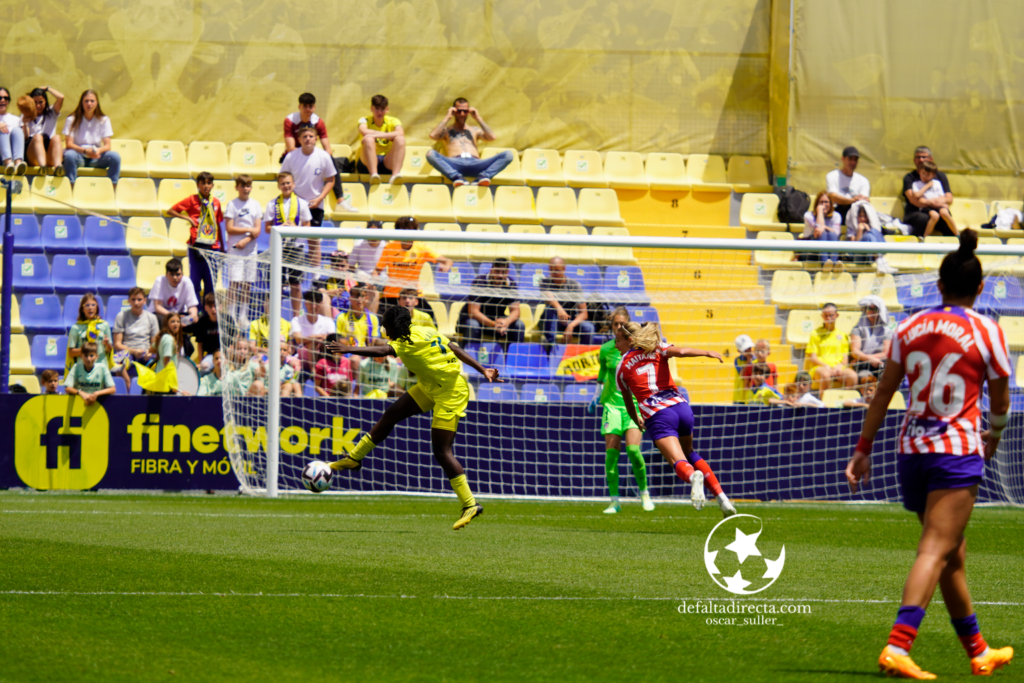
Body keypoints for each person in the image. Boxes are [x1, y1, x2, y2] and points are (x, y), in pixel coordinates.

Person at [845, 230, 1014, 679]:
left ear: (938, 286)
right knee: (936, 547)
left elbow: (882, 392)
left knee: (950, 553)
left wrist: (863, 450)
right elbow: (999, 403)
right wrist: (992, 440)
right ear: (980, 289)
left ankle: (978, 651)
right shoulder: (987, 330)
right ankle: (898, 646)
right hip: (955, 449)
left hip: (911, 449)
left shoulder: (909, 327)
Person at [326, 306, 501, 530]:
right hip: (430, 386)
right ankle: (354, 458)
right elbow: (452, 346)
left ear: (395, 327)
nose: (383, 327)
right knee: (391, 415)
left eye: (385, 324)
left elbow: (382, 351)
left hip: (451, 393)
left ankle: (470, 504)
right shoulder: (423, 329)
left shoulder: (404, 343)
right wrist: (482, 369)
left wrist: (347, 349)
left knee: (442, 451)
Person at [615, 321, 736, 517]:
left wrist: (636, 418)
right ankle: (723, 499)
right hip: (681, 407)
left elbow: (628, 401)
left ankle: (692, 477)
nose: (615, 345)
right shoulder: (658, 347)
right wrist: (706, 352)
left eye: (617, 340)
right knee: (690, 453)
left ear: (630, 340)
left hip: (659, 414)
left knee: (677, 461)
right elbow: (681, 351)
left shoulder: (621, 367)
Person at [588, 307, 652, 514]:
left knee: (633, 451)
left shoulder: (638, 349)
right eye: (615, 325)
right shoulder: (606, 349)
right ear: (611, 326)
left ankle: (644, 493)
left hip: (632, 406)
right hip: (611, 406)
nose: (618, 328)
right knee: (611, 455)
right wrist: (596, 396)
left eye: (622, 325)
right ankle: (614, 501)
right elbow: (602, 373)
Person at [280, 124, 341, 268]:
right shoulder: (291, 157)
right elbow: (283, 178)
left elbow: (331, 180)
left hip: (315, 205)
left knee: (313, 240)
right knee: (291, 240)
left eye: (311, 136)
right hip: (295, 205)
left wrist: (319, 199)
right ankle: (288, 275)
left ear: (316, 139)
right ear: (299, 139)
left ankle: (315, 277)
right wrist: (292, 200)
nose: (308, 139)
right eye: (304, 137)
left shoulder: (324, 156)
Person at [426, 98, 513, 187]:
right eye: (459, 111)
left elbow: (492, 137)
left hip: (475, 163)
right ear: (454, 111)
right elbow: (433, 136)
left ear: (468, 112)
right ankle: (456, 177)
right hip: (455, 163)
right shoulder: (446, 131)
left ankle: (483, 177)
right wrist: (447, 117)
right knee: (431, 154)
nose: (462, 114)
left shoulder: (474, 130)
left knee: (508, 154)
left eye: (465, 111)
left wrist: (478, 118)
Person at [168, 172, 225, 302]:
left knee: (211, 283)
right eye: (203, 183)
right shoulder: (192, 200)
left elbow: (218, 224)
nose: (206, 186)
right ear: (198, 185)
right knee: (195, 282)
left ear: (212, 185)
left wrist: (222, 246)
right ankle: (196, 311)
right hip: (196, 246)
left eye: (209, 183)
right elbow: (171, 210)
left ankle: (208, 314)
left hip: (212, 246)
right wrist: (187, 217)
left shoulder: (216, 202)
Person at [376, 217, 452, 311]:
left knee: (429, 316)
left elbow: (447, 261)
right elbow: (377, 270)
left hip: (414, 295)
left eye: (411, 229)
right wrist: (372, 281)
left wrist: (446, 265)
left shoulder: (421, 248)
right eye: (404, 229)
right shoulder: (389, 247)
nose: (408, 232)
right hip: (392, 295)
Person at [264, 171, 311, 316]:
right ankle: (274, 316)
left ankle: (296, 316)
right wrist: (280, 228)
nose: (286, 186)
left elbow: (307, 226)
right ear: (278, 186)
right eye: (283, 183)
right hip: (278, 248)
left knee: (295, 284)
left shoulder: (302, 203)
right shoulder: (272, 204)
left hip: (296, 248)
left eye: (288, 183)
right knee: (276, 284)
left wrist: (294, 229)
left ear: (293, 184)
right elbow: (266, 228)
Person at [224, 174, 263, 322]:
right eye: (243, 186)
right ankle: (231, 315)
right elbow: (230, 228)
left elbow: (257, 229)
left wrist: (246, 240)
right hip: (235, 247)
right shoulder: (232, 204)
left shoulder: (256, 205)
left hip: (250, 247)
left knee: (247, 282)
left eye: (248, 186)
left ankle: (243, 315)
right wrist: (247, 231)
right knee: (235, 281)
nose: (246, 189)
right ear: (237, 187)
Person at [460, 257, 525, 346]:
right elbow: (473, 312)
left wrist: (506, 322)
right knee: (473, 325)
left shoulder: (511, 284)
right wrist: (493, 324)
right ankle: (469, 358)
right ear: (491, 270)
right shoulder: (479, 282)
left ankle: (512, 358)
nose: (500, 276)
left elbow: (516, 311)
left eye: (504, 272)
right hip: (475, 320)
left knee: (519, 325)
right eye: (497, 272)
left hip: (496, 321)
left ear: (508, 272)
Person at [61, 89, 120, 186]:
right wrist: (85, 151)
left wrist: (97, 151)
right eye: (86, 101)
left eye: (92, 101)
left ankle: (112, 189)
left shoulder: (104, 119)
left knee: (115, 157)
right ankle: (71, 187)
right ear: (81, 103)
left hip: (96, 158)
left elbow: (107, 146)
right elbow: (69, 144)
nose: (89, 104)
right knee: (69, 155)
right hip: (79, 155)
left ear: (97, 103)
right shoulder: (72, 119)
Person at [902, 146, 956, 238]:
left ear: (931, 159)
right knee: (924, 218)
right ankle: (918, 245)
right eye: (918, 157)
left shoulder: (940, 176)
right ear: (914, 160)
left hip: (937, 209)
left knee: (945, 215)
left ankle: (953, 242)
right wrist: (930, 202)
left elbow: (949, 199)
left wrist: (939, 202)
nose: (921, 160)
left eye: (924, 157)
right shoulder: (909, 178)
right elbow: (913, 200)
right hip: (915, 212)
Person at [112, 287, 160, 392]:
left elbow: (155, 344)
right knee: (117, 361)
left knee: (160, 359)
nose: (136, 302)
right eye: (133, 299)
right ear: (129, 300)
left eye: (139, 299)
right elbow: (117, 344)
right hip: (127, 352)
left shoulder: (152, 318)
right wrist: (133, 351)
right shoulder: (121, 316)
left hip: (146, 351)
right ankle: (127, 388)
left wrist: (149, 352)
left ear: (144, 300)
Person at [540, 256, 594, 346]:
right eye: (551, 270)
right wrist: (559, 308)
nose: (553, 273)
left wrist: (571, 325)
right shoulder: (545, 282)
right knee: (550, 308)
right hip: (550, 322)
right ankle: (551, 349)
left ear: (563, 269)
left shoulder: (574, 285)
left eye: (557, 270)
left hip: (569, 321)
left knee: (589, 328)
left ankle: (583, 355)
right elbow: (548, 296)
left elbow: (584, 313)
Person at [807, 302, 857, 395]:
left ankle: (846, 403)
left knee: (853, 376)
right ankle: (825, 406)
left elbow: (845, 359)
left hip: (838, 368)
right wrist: (826, 366)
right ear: (822, 316)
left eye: (831, 315)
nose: (829, 318)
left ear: (837, 315)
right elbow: (813, 359)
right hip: (820, 368)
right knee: (826, 375)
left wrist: (839, 366)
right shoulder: (815, 334)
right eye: (826, 316)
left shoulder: (842, 335)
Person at [357, 94, 406, 185]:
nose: (379, 112)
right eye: (377, 108)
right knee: (368, 139)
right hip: (367, 163)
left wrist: (376, 135)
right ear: (371, 108)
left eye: (382, 109)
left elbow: (400, 133)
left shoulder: (393, 121)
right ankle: (374, 175)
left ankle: (395, 176)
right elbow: (363, 131)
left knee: (400, 140)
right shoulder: (364, 120)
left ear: (387, 109)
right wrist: (389, 136)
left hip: (386, 161)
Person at [336, 284, 381, 377]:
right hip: (348, 354)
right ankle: (359, 389)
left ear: (367, 298)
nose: (360, 299)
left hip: (367, 353)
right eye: (356, 296)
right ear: (350, 298)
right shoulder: (341, 317)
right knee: (355, 359)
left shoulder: (373, 318)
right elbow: (338, 341)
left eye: (362, 296)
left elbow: (374, 340)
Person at [291, 290, 335, 377]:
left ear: (321, 304)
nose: (314, 306)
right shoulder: (297, 320)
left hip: (322, 352)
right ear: (305, 303)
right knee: (312, 343)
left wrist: (311, 338)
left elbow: (332, 339)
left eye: (317, 303)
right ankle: (313, 370)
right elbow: (298, 339)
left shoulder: (328, 321)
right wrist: (315, 337)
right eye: (311, 302)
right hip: (303, 355)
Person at [66, 292, 113, 373]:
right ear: (82, 309)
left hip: (101, 369)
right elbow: (71, 353)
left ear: (97, 308)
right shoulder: (76, 328)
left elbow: (109, 350)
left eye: (93, 305)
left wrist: (107, 344)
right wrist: (87, 350)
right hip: (82, 370)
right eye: (87, 305)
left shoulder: (104, 325)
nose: (90, 308)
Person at [22, 86, 64, 175]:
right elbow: (25, 138)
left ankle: (58, 167)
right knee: (38, 137)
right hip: (33, 152)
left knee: (57, 137)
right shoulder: (26, 114)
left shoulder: (52, 112)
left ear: (45, 102)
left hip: (48, 152)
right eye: (35, 102)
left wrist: (47, 88)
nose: (38, 105)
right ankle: (42, 167)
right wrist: (25, 124)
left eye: (41, 102)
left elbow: (61, 97)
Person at [184, 293, 231, 370]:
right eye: (210, 306)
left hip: (225, 354)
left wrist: (229, 358)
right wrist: (201, 362)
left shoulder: (228, 320)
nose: (213, 309)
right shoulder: (202, 322)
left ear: (221, 307)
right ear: (205, 308)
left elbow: (233, 341)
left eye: (215, 306)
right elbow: (200, 343)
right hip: (210, 355)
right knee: (204, 369)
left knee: (228, 369)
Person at [850, 295, 893, 379]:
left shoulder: (886, 331)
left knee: (887, 378)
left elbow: (886, 353)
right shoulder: (857, 329)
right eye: (869, 308)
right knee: (866, 379)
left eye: (875, 309)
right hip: (863, 366)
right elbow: (855, 352)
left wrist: (866, 357)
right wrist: (870, 359)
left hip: (880, 365)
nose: (872, 312)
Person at [147, 257, 200, 325]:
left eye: (178, 274)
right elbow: (158, 307)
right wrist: (174, 318)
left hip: (179, 315)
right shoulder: (159, 281)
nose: (175, 278)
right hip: (161, 314)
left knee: (199, 320)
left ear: (182, 274)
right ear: (166, 275)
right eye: (172, 274)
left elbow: (191, 306)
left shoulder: (187, 282)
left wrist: (193, 315)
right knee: (163, 321)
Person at [799, 191, 843, 271]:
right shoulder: (808, 215)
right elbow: (818, 229)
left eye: (826, 202)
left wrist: (824, 227)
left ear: (831, 204)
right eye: (821, 202)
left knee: (832, 234)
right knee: (822, 233)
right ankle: (825, 264)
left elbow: (836, 233)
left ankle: (833, 264)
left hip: (829, 247)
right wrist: (819, 211)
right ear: (816, 204)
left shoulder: (836, 215)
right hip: (810, 250)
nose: (823, 205)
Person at [825, 146, 870, 222]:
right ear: (843, 159)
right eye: (850, 159)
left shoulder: (863, 180)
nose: (853, 162)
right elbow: (833, 197)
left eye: (855, 160)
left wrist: (853, 201)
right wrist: (853, 200)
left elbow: (865, 200)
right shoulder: (832, 176)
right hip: (838, 211)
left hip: (855, 213)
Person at [282, 92, 333, 159]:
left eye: (310, 106)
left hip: (311, 156)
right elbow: (291, 148)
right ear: (299, 107)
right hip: (293, 157)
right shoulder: (290, 121)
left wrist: (324, 159)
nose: (308, 109)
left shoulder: (318, 122)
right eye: (305, 106)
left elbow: (328, 150)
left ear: (314, 107)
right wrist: (307, 157)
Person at [315, 332, 354, 397]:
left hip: (343, 402)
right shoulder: (322, 363)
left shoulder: (347, 362)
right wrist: (329, 399)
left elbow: (349, 385)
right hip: (327, 402)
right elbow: (317, 387)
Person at [0, 87, 26, 176]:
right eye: (0, 98)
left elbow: (25, 137)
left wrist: (25, 124)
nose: (2, 100)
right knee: (3, 129)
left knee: (18, 130)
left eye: (5, 98)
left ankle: (18, 164)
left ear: (8, 101)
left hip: (13, 153)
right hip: (1, 157)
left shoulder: (16, 119)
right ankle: (8, 163)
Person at [733, 334, 756, 404]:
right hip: (739, 397)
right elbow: (742, 374)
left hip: (751, 396)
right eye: (745, 349)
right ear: (739, 351)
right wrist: (748, 361)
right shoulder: (737, 360)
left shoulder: (756, 360)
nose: (748, 351)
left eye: (749, 348)